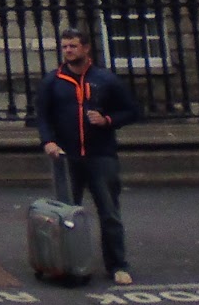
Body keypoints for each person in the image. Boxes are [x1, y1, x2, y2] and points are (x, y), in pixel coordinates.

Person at [35, 25, 142, 285]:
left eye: (73, 46)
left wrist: (107, 120)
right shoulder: (52, 81)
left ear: (85, 48)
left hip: (101, 156)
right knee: (66, 217)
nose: (68, 51)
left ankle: (117, 264)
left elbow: (132, 111)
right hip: (67, 157)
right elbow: (42, 116)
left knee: (109, 213)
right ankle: (68, 265)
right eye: (65, 46)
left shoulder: (106, 80)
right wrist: (48, 141)